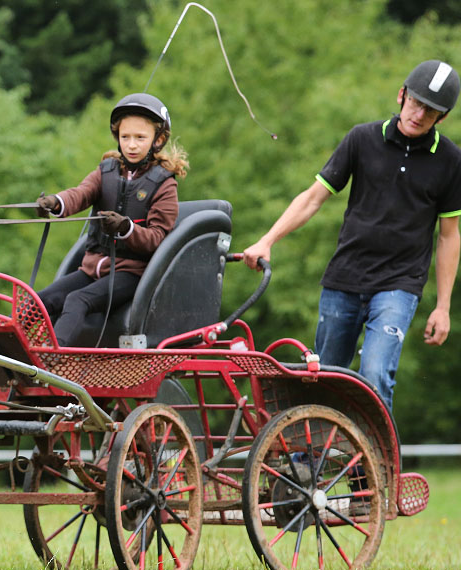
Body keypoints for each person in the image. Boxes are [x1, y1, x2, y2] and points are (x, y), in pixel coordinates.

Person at [243, 60, 461, 409]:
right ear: (401, 94)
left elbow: (449, 236)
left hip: (399, 285)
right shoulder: (362, 138)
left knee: (374, 375)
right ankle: (311, 459)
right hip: (345, 277)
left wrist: (444, 306)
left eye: (431, 111)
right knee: (325, 378)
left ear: (442, 118)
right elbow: (313, 198)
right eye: (416, 102)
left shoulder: (450, 161)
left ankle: (374, 463)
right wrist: (267, 240)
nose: (419, 114)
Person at [35, 93, 189, 346]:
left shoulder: (164, 184)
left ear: (158, 140)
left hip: (131, 275)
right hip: (92, 269)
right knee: (39, 301)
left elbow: (156, 239)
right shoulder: (105, 171)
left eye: (140, 138)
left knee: (77, 300)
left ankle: (51, 359)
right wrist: (55, 202)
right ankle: (3, 354)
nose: (131, 145)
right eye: (125, 137)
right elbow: (80, 194)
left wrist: (126, 228)